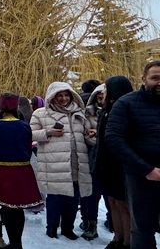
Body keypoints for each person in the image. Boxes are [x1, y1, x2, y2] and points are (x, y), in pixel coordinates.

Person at [30, 82, 95, 240]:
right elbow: (29, 134)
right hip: (54, 164)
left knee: (73, 199)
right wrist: (48, 132)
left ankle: (68, 228)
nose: (63, 98)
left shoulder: (79, 112)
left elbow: (87, 135)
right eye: (59, 95)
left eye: (66, 95)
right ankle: (51, 227)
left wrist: (91, 135)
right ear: (52, 96)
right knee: (55, 199)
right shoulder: (41, 113)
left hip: (76, 163)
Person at [107, 61, 160, 249]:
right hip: (142, 177)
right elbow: (114, 138)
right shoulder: (126, 103)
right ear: (144, 79)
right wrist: (146, 169)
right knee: (143, 229)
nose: (159, 82)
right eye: (155, 78)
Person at [0, 93, 43, 249]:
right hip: (23, 170)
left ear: (0, 108)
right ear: (16, 107)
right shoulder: (25, 126)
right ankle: (17, 242)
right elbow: (28, 148)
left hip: (1, 171)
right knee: (17, 208)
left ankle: (13, 242)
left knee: (6, 207)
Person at [94, 76, 134, 249]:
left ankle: (127, 242)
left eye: (107, 89)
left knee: (123, 204)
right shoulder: (107, 110)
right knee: (112, 202)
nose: (104, 93)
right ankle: (117, 238)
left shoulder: (128, 109)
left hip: (121, 164)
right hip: (106, 163)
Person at [79, 83, 105, 240]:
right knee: (91, 193)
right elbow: (87, 136)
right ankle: (90, 222)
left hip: (111, 159)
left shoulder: (115, 111)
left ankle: (113, 221)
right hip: (92, 158)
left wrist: (100, 135)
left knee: (111, 197)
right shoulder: (88, 113)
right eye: (99, 97)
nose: (101, 100)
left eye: (104, 97)